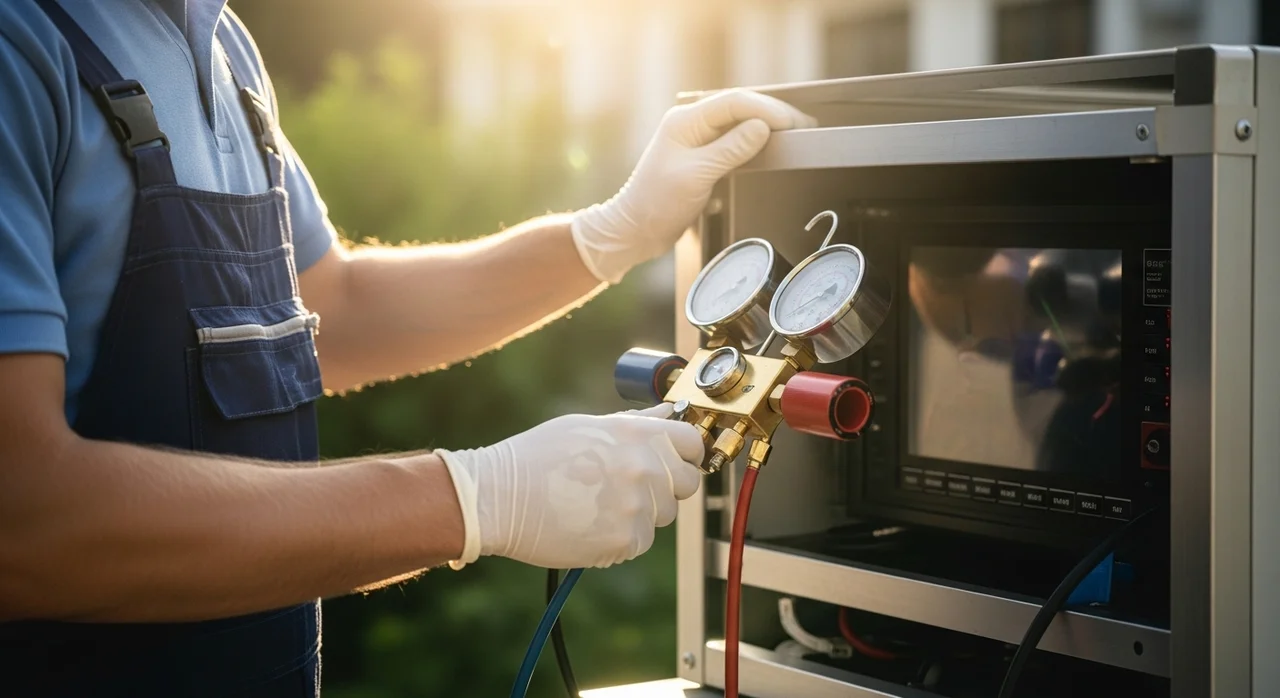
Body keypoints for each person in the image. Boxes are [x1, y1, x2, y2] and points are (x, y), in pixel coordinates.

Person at [0, 0, 816, 695]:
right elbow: (20, 521)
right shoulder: (21, 42)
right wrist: (475, 498)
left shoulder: (222, 45)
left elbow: (330, 310)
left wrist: (611, 234)